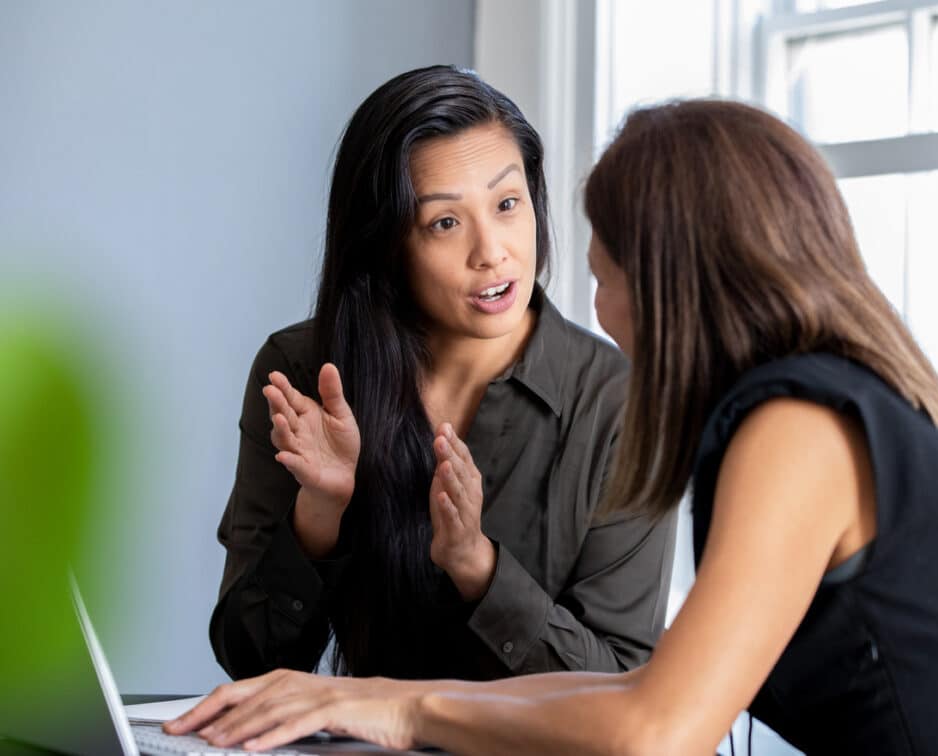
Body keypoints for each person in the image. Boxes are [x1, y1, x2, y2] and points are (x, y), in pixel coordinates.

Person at [172, 99, 938, 755]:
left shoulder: (797, 429)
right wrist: (365, 700)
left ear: (671, 281)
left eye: (602, 273)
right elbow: (649, 692)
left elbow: (654, 731)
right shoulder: (830, 401)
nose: (594, 307)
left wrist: (400, 706)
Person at [208, 65, 677, 686]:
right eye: (445, 223)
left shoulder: (621, 404)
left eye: (508, 204)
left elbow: (622, 690)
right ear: (386, 245)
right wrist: (320, 512)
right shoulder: (304, 372)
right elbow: (252, 659)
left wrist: (477, 567)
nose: (492, 252)